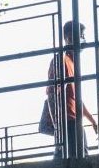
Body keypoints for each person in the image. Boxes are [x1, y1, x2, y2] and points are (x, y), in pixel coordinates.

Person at [39, 20, 93, 159]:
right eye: (81, 35)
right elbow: (52, 94)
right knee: (74, 160)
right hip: (67, 122)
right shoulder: (61, 60)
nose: (83, 40)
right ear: (69, 37)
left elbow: (76, 98)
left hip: (73, 121)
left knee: (77, 158)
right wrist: (58, 126)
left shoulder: (71, 62)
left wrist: (92, 120)